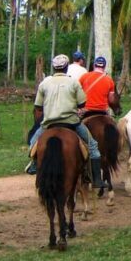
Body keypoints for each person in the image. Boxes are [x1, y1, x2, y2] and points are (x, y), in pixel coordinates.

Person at [26, 55, 105, 188]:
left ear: (53, 67)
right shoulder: (73, 82)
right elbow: (82, 103)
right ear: (66, 67)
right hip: (71, 122)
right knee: (93, 147)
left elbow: (38, 106)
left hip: (48, 124)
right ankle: (97, 179)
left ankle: (34, 165)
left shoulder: (44, 83)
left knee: (33, 145)